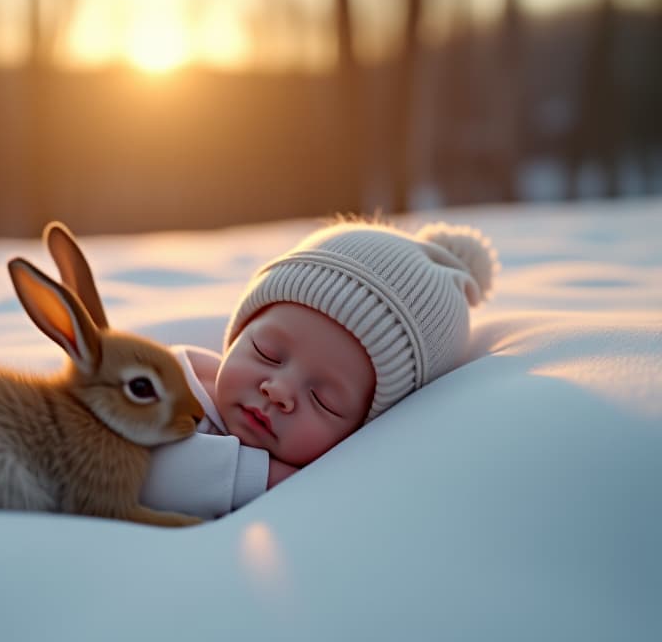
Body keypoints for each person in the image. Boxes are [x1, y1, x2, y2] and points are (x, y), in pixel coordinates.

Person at [140, 218, 498, 519]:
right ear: (237, 333)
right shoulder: (166, 385)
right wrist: (260, 478)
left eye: (323, 400)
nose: (278, 390)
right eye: (267, 353)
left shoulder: (329, 484)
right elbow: (127, 465)